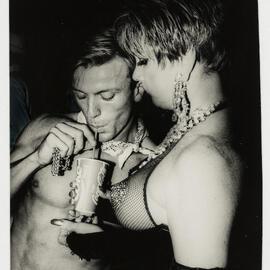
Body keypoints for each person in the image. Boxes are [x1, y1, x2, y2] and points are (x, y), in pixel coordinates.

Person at [57, 1, 243, 269]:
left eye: (143, 61)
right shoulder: (190, 127)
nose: (136, 74)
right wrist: (102, 242)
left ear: (185, 57)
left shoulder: (201, 160)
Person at [10, 28, 157, 270]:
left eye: (106, 96)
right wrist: (34, 159)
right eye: (81, 96)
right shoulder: (48, 128)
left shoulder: (147, 165)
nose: (91, 112)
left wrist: (111, 242)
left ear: (137, 89)